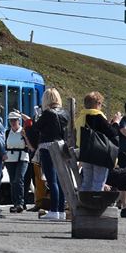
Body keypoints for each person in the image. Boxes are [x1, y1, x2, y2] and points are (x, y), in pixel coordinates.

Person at [34, 88, 70, 221]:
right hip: (61, 146)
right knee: (61, 180)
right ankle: (61, 210)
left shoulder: (47, 113)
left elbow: (37, 128)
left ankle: (54, 210)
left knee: (52, 180)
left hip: (47, 146)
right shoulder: (65, 113)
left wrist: (35, 118)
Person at [76, 91, 120, 193]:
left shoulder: (81, 118)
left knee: (86, 182)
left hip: (85, 154)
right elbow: (112, 133)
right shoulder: (98, 116)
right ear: (98, 103)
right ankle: (94, 206)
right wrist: (116, 122)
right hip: (99, 155)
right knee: (98, 183)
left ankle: (84, 205)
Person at [4, 112, 30, 213]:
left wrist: (26, 136)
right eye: (11, 120)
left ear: (19, 120)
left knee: (19, 179)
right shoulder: (7, 132)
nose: (13, 122)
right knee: (12, 181)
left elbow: (29, 145)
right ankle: (16, 203)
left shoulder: (23, 131)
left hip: (22, 158)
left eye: (15, 120)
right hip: (10, 159)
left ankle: (20, 203)